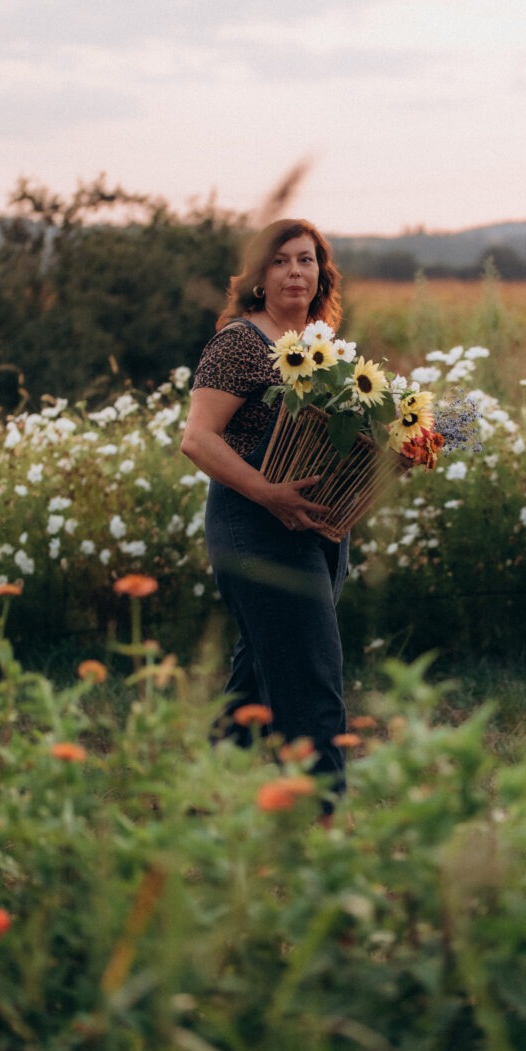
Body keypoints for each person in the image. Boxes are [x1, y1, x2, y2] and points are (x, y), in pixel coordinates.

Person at [181, 219, 349, 814]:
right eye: (280, 262)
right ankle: (320, 823)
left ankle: (200, 802)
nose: (295, 272)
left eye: (306, 260)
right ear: (258, 276)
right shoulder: (240, 343)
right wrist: (269, 491)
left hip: (314, 529)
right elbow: (199, 439)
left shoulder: (321, 341)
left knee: (257, 677)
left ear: (321, 272)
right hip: (254, 531)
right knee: (310, 684)